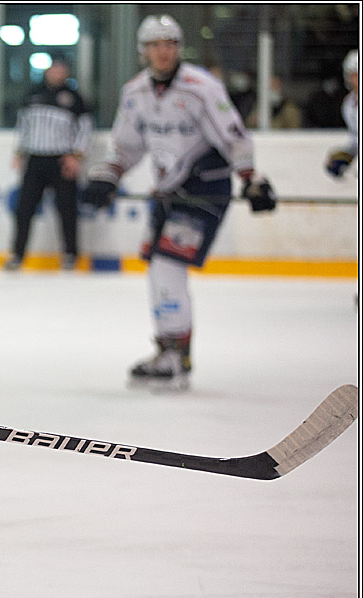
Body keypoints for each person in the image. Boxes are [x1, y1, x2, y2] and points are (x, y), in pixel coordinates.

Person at [82, 15, 276, 391]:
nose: (163, 51)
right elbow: (126, 146)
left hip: (205, 189)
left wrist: (251, 178)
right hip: (169, 191)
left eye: (170, 43)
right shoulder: (135, 92)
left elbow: (232, 133)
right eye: (155, 44)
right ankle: (169, 350)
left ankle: (176, 355)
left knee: (168, 266)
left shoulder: (202, 87)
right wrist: (109, 174)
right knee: (157, 268)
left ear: (179, 47)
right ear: (143, 51)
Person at [4, 55, 92, 271]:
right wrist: (19, 151)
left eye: (62, 69)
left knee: (67, 209)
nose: (57, 72)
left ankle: (70, 254)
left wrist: (76, 155)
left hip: (61, 160)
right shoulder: (32, 94)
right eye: (54, 68)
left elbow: (85, 129)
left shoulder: (74, 98)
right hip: (35, 158)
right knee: (24, 209)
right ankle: (17, 254)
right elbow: (23, 125)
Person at [325, 49, 358, 178]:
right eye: (354, 74)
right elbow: (356, 139)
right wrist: (346, 155)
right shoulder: (348, 104)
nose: (356, 78)